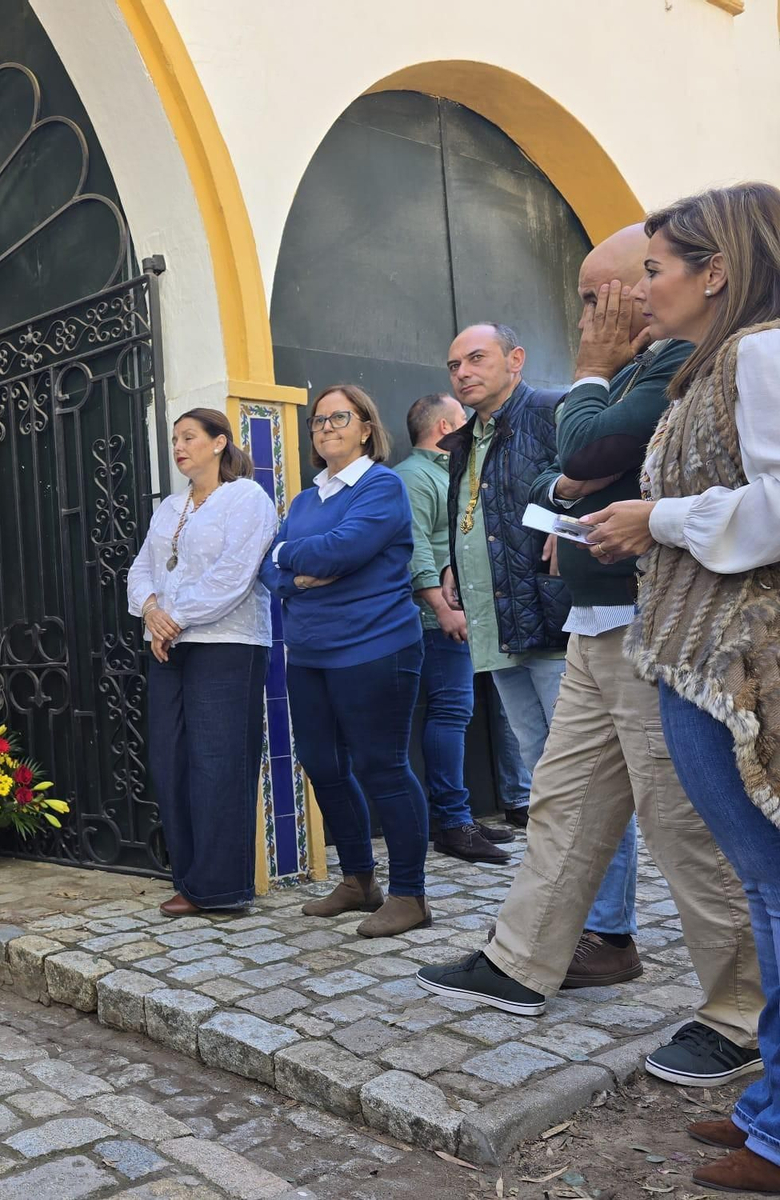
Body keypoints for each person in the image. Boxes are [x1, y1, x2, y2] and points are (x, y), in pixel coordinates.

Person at [418, 223, 761, 1087]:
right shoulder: (651, 368)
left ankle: (742, 1010)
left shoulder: (681, 363)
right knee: (564, 801)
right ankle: (522, 960)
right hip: (596, 623)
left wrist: (590, 372)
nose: (601, 311)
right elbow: (557, 477)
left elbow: (583, 450)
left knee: (686, 825)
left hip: (657, 623)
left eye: (607, 291)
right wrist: (577, 464)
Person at [582, 182, 780, 1195]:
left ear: (717, 270)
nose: (637, 289)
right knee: (762, 882)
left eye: (655, 269)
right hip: (697, 652)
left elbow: (777, 505)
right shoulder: (712, 366)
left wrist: (648, 522)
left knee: (772, 884)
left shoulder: (760, 351)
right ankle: (767, 1105)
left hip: (738, 662)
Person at [260, 385, 431, 936]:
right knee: (323, 765)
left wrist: (303, 561)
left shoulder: (383, 486)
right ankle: (360, 880)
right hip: (308, 652)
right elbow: (270, 567)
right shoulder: (306, 501)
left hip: (375, 646)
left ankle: (410, 894)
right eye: (317, 421)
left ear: (365, 427)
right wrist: (297, 565)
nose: (326, 426)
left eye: (339, 417)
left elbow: (345, 549)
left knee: (382, 767)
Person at [128, 407, 277, 917]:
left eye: (189, 437)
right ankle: (188, 878)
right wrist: (152, 611)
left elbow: (235, 575)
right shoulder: (170, 506)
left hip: (228, 643)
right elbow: (141, 569)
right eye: (174, 440)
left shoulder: (246, 499)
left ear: (219, 443)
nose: (179, 447)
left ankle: (221, 888)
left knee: (220, 762)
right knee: (171, 761)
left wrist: (173, 616)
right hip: (169, 643)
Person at [439, 324, 568, 829]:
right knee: (538, 763)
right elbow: (480, 512)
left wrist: (569, 523)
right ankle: (564, 884)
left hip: (551, 619)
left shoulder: (553, 411)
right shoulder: (466, 438)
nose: (463, 373)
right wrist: (457, 557)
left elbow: (609, 480)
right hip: (497, 621)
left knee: (579, 770)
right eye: (454, 366)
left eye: (475, 359)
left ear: (516, 358)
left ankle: (602, 908)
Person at [395, 393, 512, 863]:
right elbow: (413, 545)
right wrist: (442, 607)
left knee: (456, 715)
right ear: (445, 427)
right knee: (450, 714)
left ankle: (456, 815)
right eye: (463, 420)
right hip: (436, 621)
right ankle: (453, 823)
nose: (470, 426)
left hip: (468, 616)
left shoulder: (452, 474)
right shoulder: (413, 477)